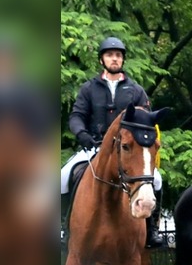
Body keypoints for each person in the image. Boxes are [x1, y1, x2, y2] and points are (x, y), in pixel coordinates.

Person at [60, 36, 165, 248]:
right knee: (62, 177)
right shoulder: (89, 88)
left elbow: (146, 118)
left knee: (157, 180)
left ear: (123, 60)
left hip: (128, 150)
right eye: (110, 55)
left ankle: (151, 229)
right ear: (102, 60)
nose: (114, 59)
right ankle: (64, 227)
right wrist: (81, 134)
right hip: (94, 146)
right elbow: (77, 116)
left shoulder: (135, 90)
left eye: (118, 55)